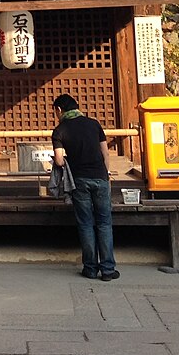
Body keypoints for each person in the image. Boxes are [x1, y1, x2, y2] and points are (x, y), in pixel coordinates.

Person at [52, 93, 117, 281]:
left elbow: (58, 160)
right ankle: (108, 269)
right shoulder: (94, 124)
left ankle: (90, 268)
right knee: (104, 223)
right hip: (100, 177)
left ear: (59, 110)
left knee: (86, 224)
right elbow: (105, 153)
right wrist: (105, 176)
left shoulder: (60, 130)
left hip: (79, 180)